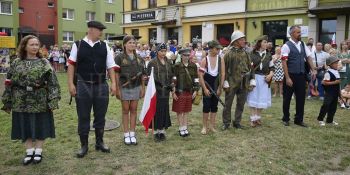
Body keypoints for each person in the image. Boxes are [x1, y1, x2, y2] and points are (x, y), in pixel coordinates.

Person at [1, 35, 61, 165]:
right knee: (24, 123)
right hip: (20, 99)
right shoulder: (16, 62)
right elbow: (9, 81)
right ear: (24, 46)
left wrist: (53, 99)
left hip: (39, 99)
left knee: (41, 124)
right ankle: (29, 151)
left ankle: (38, 150)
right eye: (31, 44)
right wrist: (7, 99)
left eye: (36, 44)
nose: (35, 47)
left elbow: (53, 83)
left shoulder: (44, 62)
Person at [67, 21, 118, 158]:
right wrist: (71, 84)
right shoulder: (77, 44)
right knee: (83, 115)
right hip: (83, 84)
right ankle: (84, 145)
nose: (101, 32)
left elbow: (111, 66)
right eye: (99, 30)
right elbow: (71, 65)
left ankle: (99, 142)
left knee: (100, 115)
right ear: (91, 30)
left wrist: (113, 83)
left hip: (101, 85)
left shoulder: (105, 45)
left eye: (102, 30)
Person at [281, 25, 317, 127]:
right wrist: (287, 77)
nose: (300, 34)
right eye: (298, 32)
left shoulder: (302, 44)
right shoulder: (286, 45)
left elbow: (309, 57)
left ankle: (299, 119)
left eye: (300, 32)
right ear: (292, 34)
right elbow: (284, 62)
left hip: (301, 76)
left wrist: (313, 69)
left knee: (301, 98)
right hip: (291, 75)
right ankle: (286, 118)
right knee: (287, 98)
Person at [114, 35, 145, 145]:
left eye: (134, 43)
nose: (133, 44)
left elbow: (142, 75)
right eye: (130, 42)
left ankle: (132, 133)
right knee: (125, 110)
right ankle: (126, 134)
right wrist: (117, 89)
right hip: (124, 87)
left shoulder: (140, 58)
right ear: (125, 44)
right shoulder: (119, 57)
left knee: (134, 110)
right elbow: (116, 74)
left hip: (136, 87)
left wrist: (143, 88)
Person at [222, 30, 256, 130]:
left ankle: (237, 122)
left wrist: (252, 79)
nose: (244, 41)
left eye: (244, 39)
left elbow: (251, 67)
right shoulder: (228, 54)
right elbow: (223, 69)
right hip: (231, 82)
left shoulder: (246, 53)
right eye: (242, 39)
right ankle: (226, 123)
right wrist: (225, 81)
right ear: (235, 41)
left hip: (244, 82)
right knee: (228, 104)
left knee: (241, 104)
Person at [147, 43, 174, 141]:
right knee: (156, 109)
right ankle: (155, 132)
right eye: (161, 51)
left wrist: (171, 85)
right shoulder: (152, 63)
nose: (163, 53)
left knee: (164, 109)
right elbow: (148, 78)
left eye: (164, 51)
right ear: (157, 51)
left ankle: (162, 130)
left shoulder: (168, 62)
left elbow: (171, 75)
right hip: (156, 90)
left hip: (165, 90)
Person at [198, 40, 225, 134]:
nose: (218, 50)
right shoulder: (204, 60)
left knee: (214, 106)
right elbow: (200, 75)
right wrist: (204, 88)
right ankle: (204, 127)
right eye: (216, 49)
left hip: (216, 85)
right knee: (206, 106)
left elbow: (222, 73)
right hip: (207, 85)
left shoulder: (220, 59)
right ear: (211, 49)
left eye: (219, 49)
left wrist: (220, 88)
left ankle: (212, 126)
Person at [247, 35, 274, 127]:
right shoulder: (252, 54)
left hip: (264, 79)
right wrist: (251, 79)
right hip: (254, 78)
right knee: (253, 97)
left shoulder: (269, 54)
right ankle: (252, 118)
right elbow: (249, 68)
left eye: (267, 42)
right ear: (259, 43)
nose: (267, 44)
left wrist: (270, 75)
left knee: (262, 98)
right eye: (264, 42)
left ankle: (258, 117)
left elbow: (272, 67)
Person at [172, 48, 200, 137]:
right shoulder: (176, 66)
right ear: (181, 56)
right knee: (180, 111)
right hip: (179, 91)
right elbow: (173, 79)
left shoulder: (193, 66)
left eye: (188, 55)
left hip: (189, 91)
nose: (187, 57)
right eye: (185, 55)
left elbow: (196, 78)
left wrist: (196, 90)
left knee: (186, 110)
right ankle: (181, 128)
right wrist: (173, 92)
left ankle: (185, 127)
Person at [317, 56, 341, 126]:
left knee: (333, 107)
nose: (337, 64)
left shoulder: (336, 71)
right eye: (335, 63)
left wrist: (339, 93)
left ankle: (329, 120)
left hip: (335, 92)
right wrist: (335, 82)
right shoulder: (328, 73)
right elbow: (324, 83)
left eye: (337, 63)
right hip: (329, 92)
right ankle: (320, 119)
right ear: (330, 64)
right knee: (326, 105)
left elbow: (338, 83)